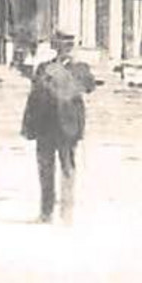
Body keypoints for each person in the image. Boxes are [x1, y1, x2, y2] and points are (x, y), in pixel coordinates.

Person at [21, 31, 96, 224]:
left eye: (70, 45)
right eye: (62, 45)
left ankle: (67, 212)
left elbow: (89, 87)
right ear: (55, 47)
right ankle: (46, 212)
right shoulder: (44, 68)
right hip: (45, 126)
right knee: (45, 169)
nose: (66, 49)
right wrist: (28, 125)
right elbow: (33, 98)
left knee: (67, 168)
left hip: (68, 126)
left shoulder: (80, 69)